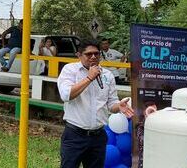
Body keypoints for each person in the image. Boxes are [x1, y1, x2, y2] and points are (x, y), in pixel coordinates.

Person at [57, 39, 134, 168]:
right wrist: (89, 77)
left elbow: (111, 104)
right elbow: (66, 95)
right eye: (88, 54)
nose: (93, 57)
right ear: (79, 55)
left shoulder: (107, 75)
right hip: (75, 135)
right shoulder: (70, 70)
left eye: (96, 54)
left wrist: (119, 106)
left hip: (98, 136)